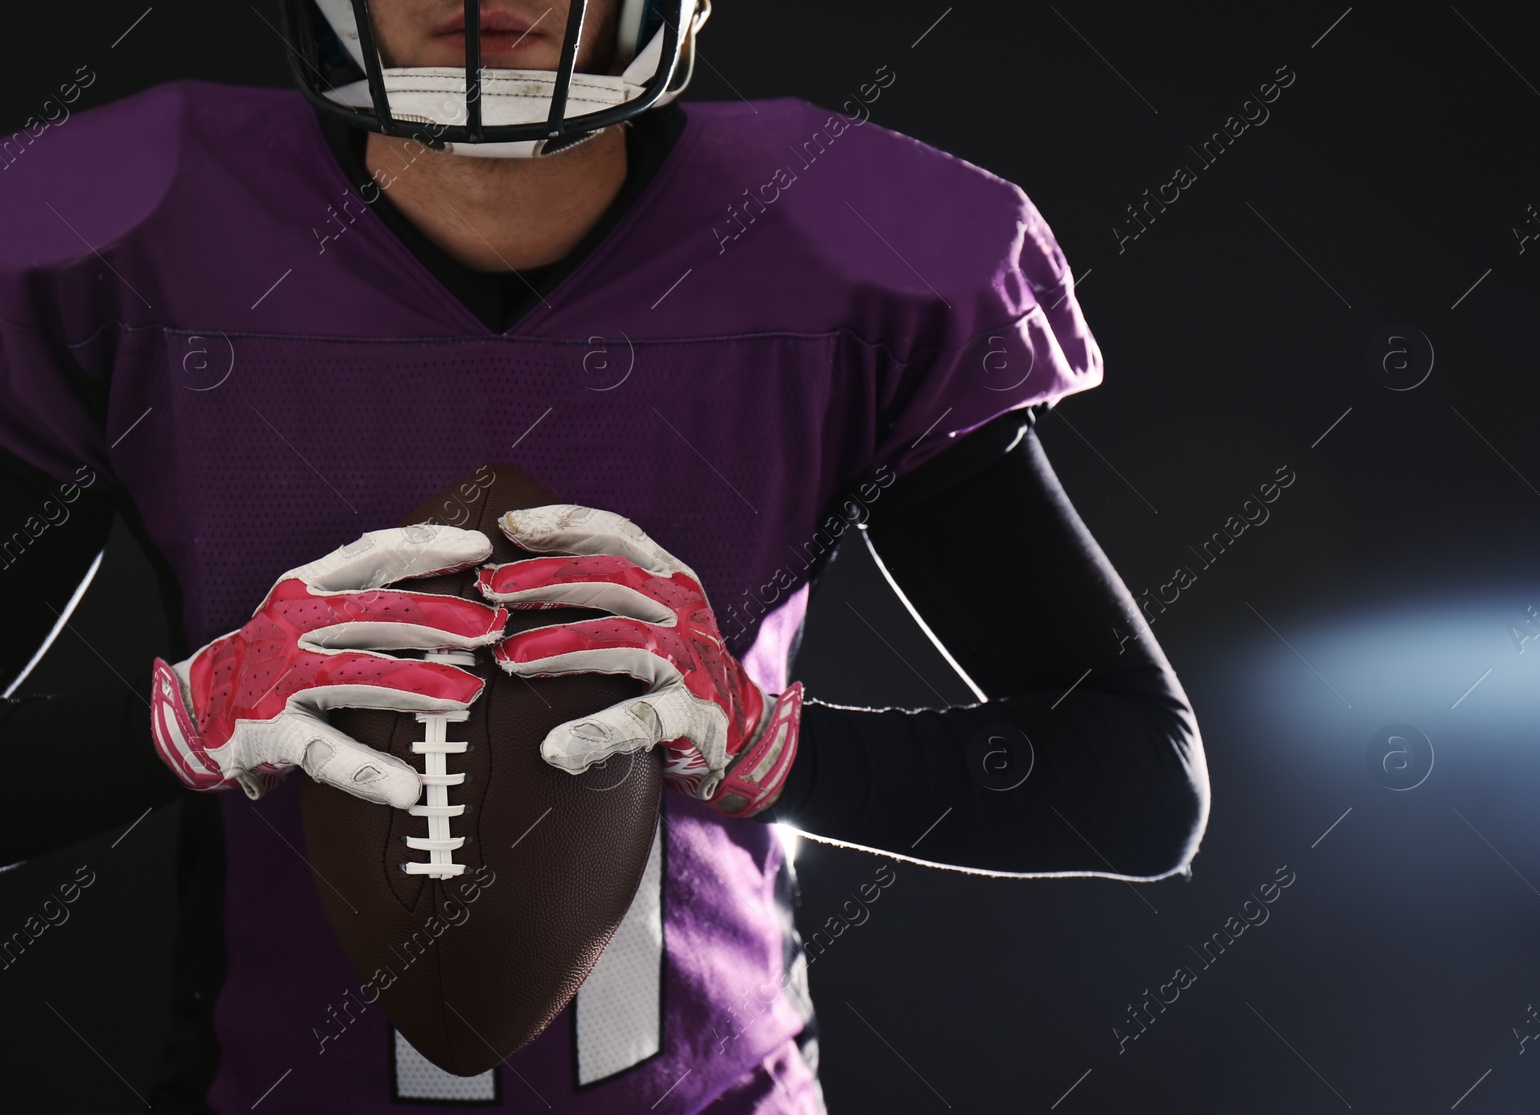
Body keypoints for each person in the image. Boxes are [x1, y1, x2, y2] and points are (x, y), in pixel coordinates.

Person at [0, 1, 1209, 1110]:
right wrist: (184, 723)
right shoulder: (121, 235)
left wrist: (770, 744)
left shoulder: (845, 251)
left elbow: (1138, 782)